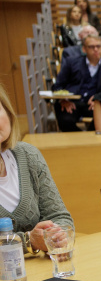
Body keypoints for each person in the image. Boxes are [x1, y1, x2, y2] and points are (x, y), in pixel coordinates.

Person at [0, 83, 73, 254]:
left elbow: (59, 217)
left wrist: (56, 238)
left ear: (8, 113)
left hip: (42, 272)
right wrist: (28, 240)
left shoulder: (27, 154)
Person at [52, 34, 101, 131]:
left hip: (95, 104)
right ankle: (80, 140)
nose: (95, 49)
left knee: (100, 120)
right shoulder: (71, 62)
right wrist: (64, 100)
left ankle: (90, 141)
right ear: (84, 49)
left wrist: (99, 98)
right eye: (91, 47)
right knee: (65, 120)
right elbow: (57, 86)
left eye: (98, 46)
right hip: (72, 103)